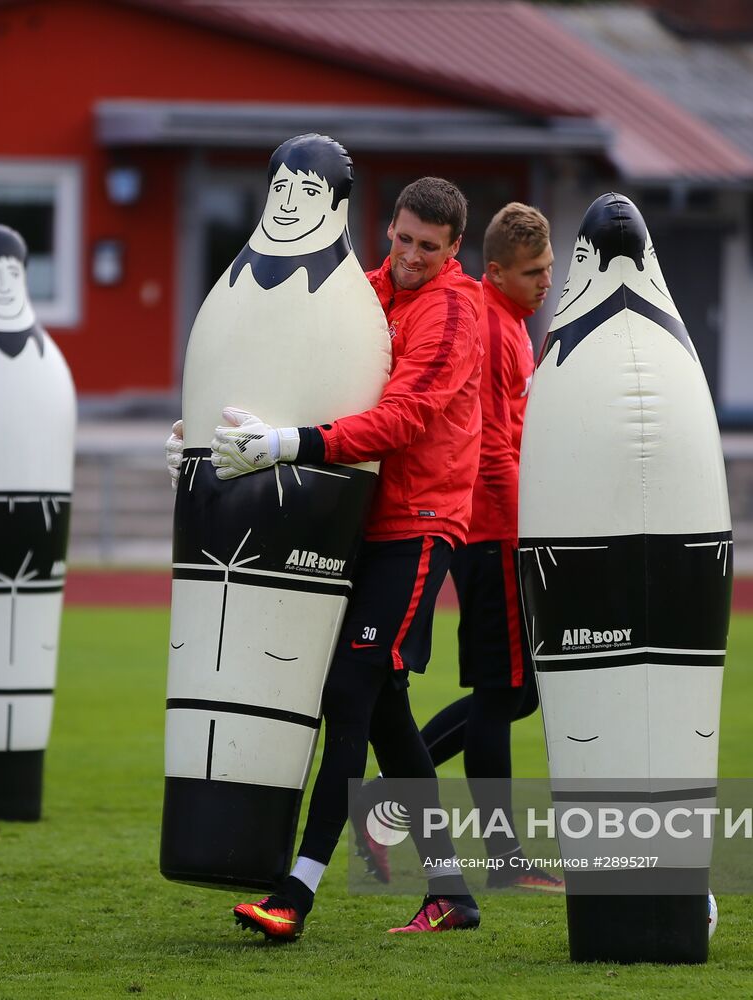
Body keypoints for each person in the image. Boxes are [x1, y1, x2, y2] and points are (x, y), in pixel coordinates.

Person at [209, 177, 486, 941]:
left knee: (348, 693)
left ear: (453, 248)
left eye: (429, 248)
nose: (411, 257)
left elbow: (403, 418)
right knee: (386, 713)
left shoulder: (454, 312)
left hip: (418, 525)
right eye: (404, 239)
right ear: (388, 227)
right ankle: (451, 893)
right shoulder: (364, 292)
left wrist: (288, 444)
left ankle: (293, 896)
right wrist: (201, 436)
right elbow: (299, 369)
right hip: (364, 521)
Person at [348, 203, 562, 893]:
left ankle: (384, 798)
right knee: (501, 694)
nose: (545, 281)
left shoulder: (511, 322)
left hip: (487, 525)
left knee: (514, 695)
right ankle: (503, 860)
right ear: (493, 270)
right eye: (531, 272)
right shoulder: (489, 325)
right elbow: (492, 445)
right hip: (492, 528)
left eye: (548, 268)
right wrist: (525, 530)